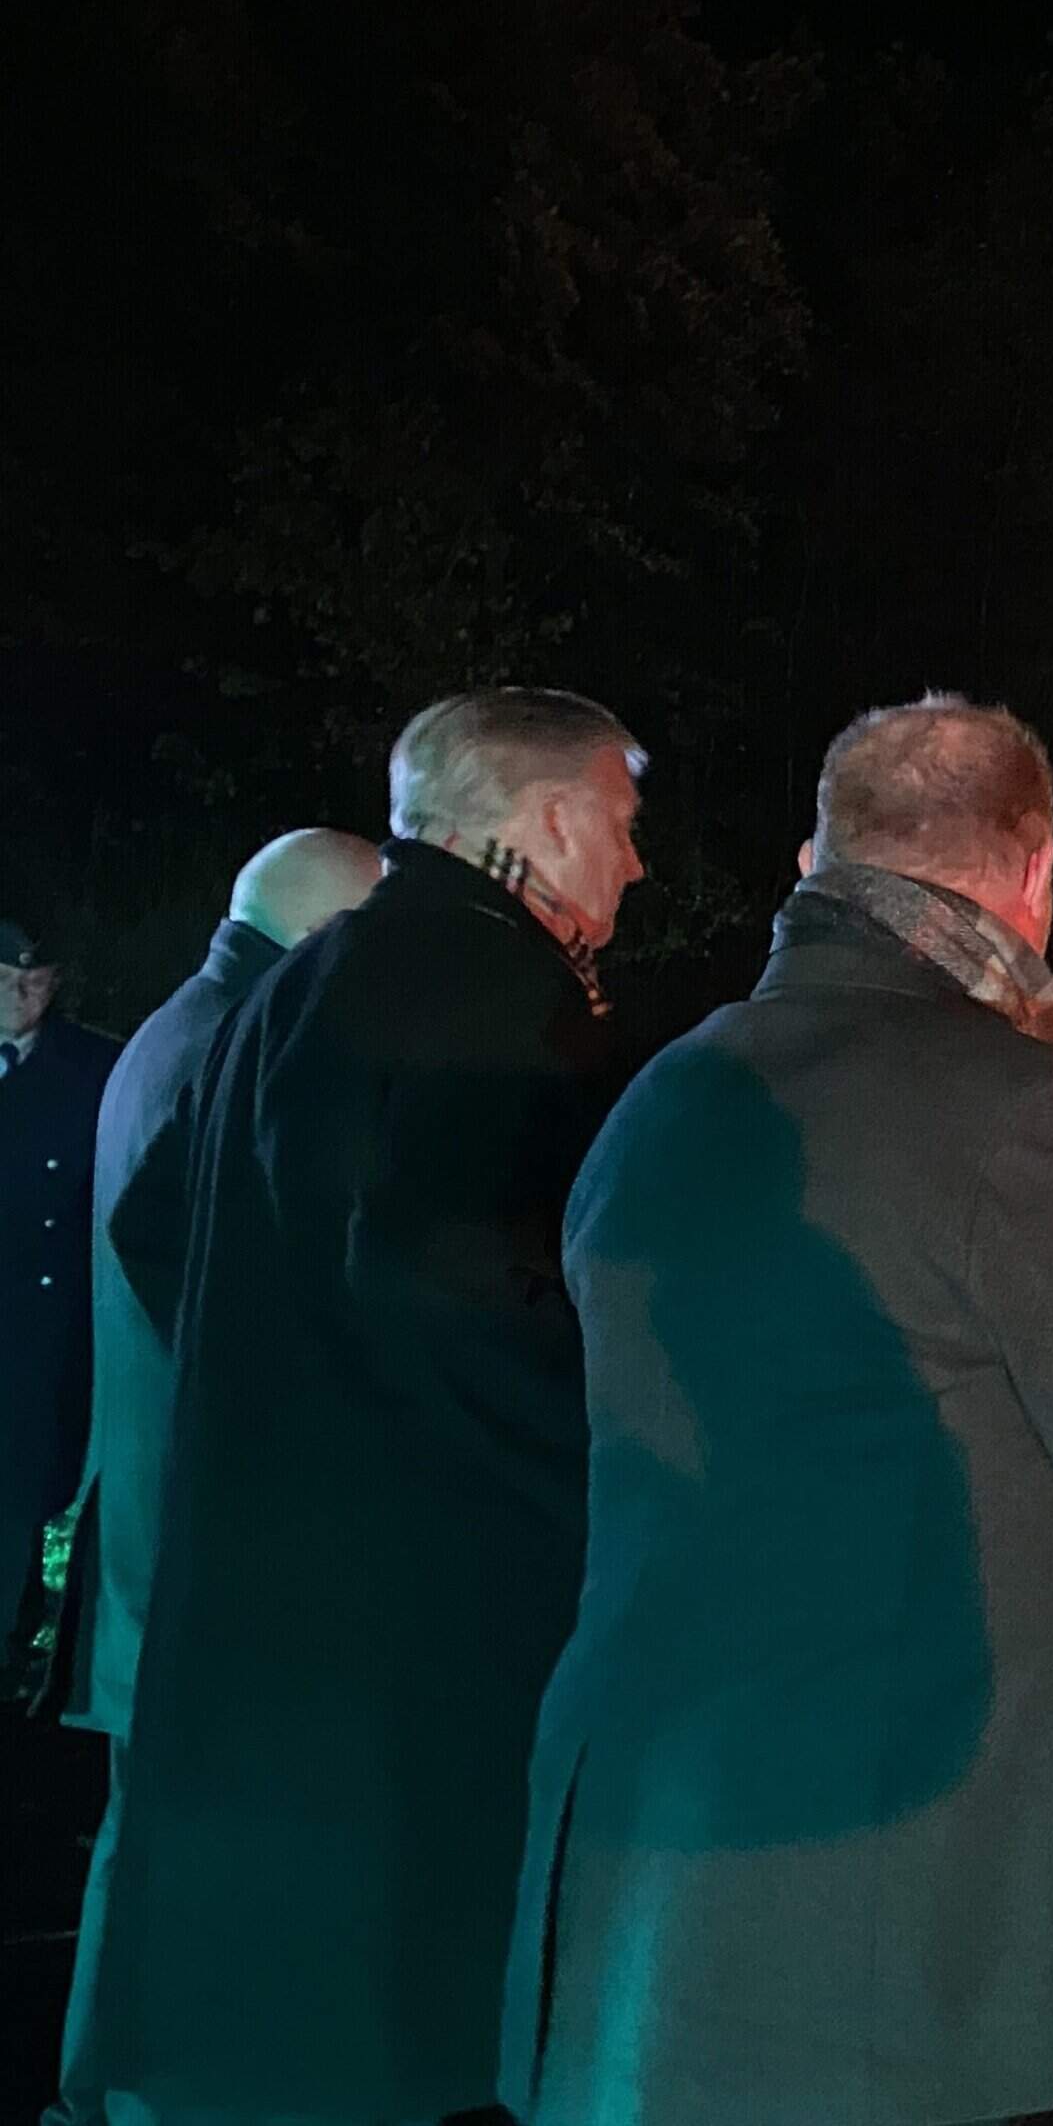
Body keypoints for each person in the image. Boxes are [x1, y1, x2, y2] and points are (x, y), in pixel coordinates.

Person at [504, 697, 1053, 2124]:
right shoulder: (1021, 1107)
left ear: (817, 857)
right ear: (1034, 871)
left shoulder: (666, 1088)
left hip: (652, 1826)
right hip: (903, 1850)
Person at [73, 691, 644, 2121]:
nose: (636, 868)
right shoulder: (494, 995)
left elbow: (156, 1227)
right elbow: (496, 1317)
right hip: (422, 1639)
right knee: (411, 2027)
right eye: (626, 825)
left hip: (275, 1613)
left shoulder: (299, 984)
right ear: (555, 816)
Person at [42, 832, 379, 2125]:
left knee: (146, 1858)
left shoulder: (176, 1035)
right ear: (321, 933)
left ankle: (107, 2093)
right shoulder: (233, 1056)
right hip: (205, 1554)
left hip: (153, 1542)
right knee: (186, 1871)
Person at [1, 919, 117, 1673]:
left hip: (40, 1329)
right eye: (6, 976)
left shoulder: (93, 1067)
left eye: (36, 979)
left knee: (20, 1491)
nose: (21, 993)